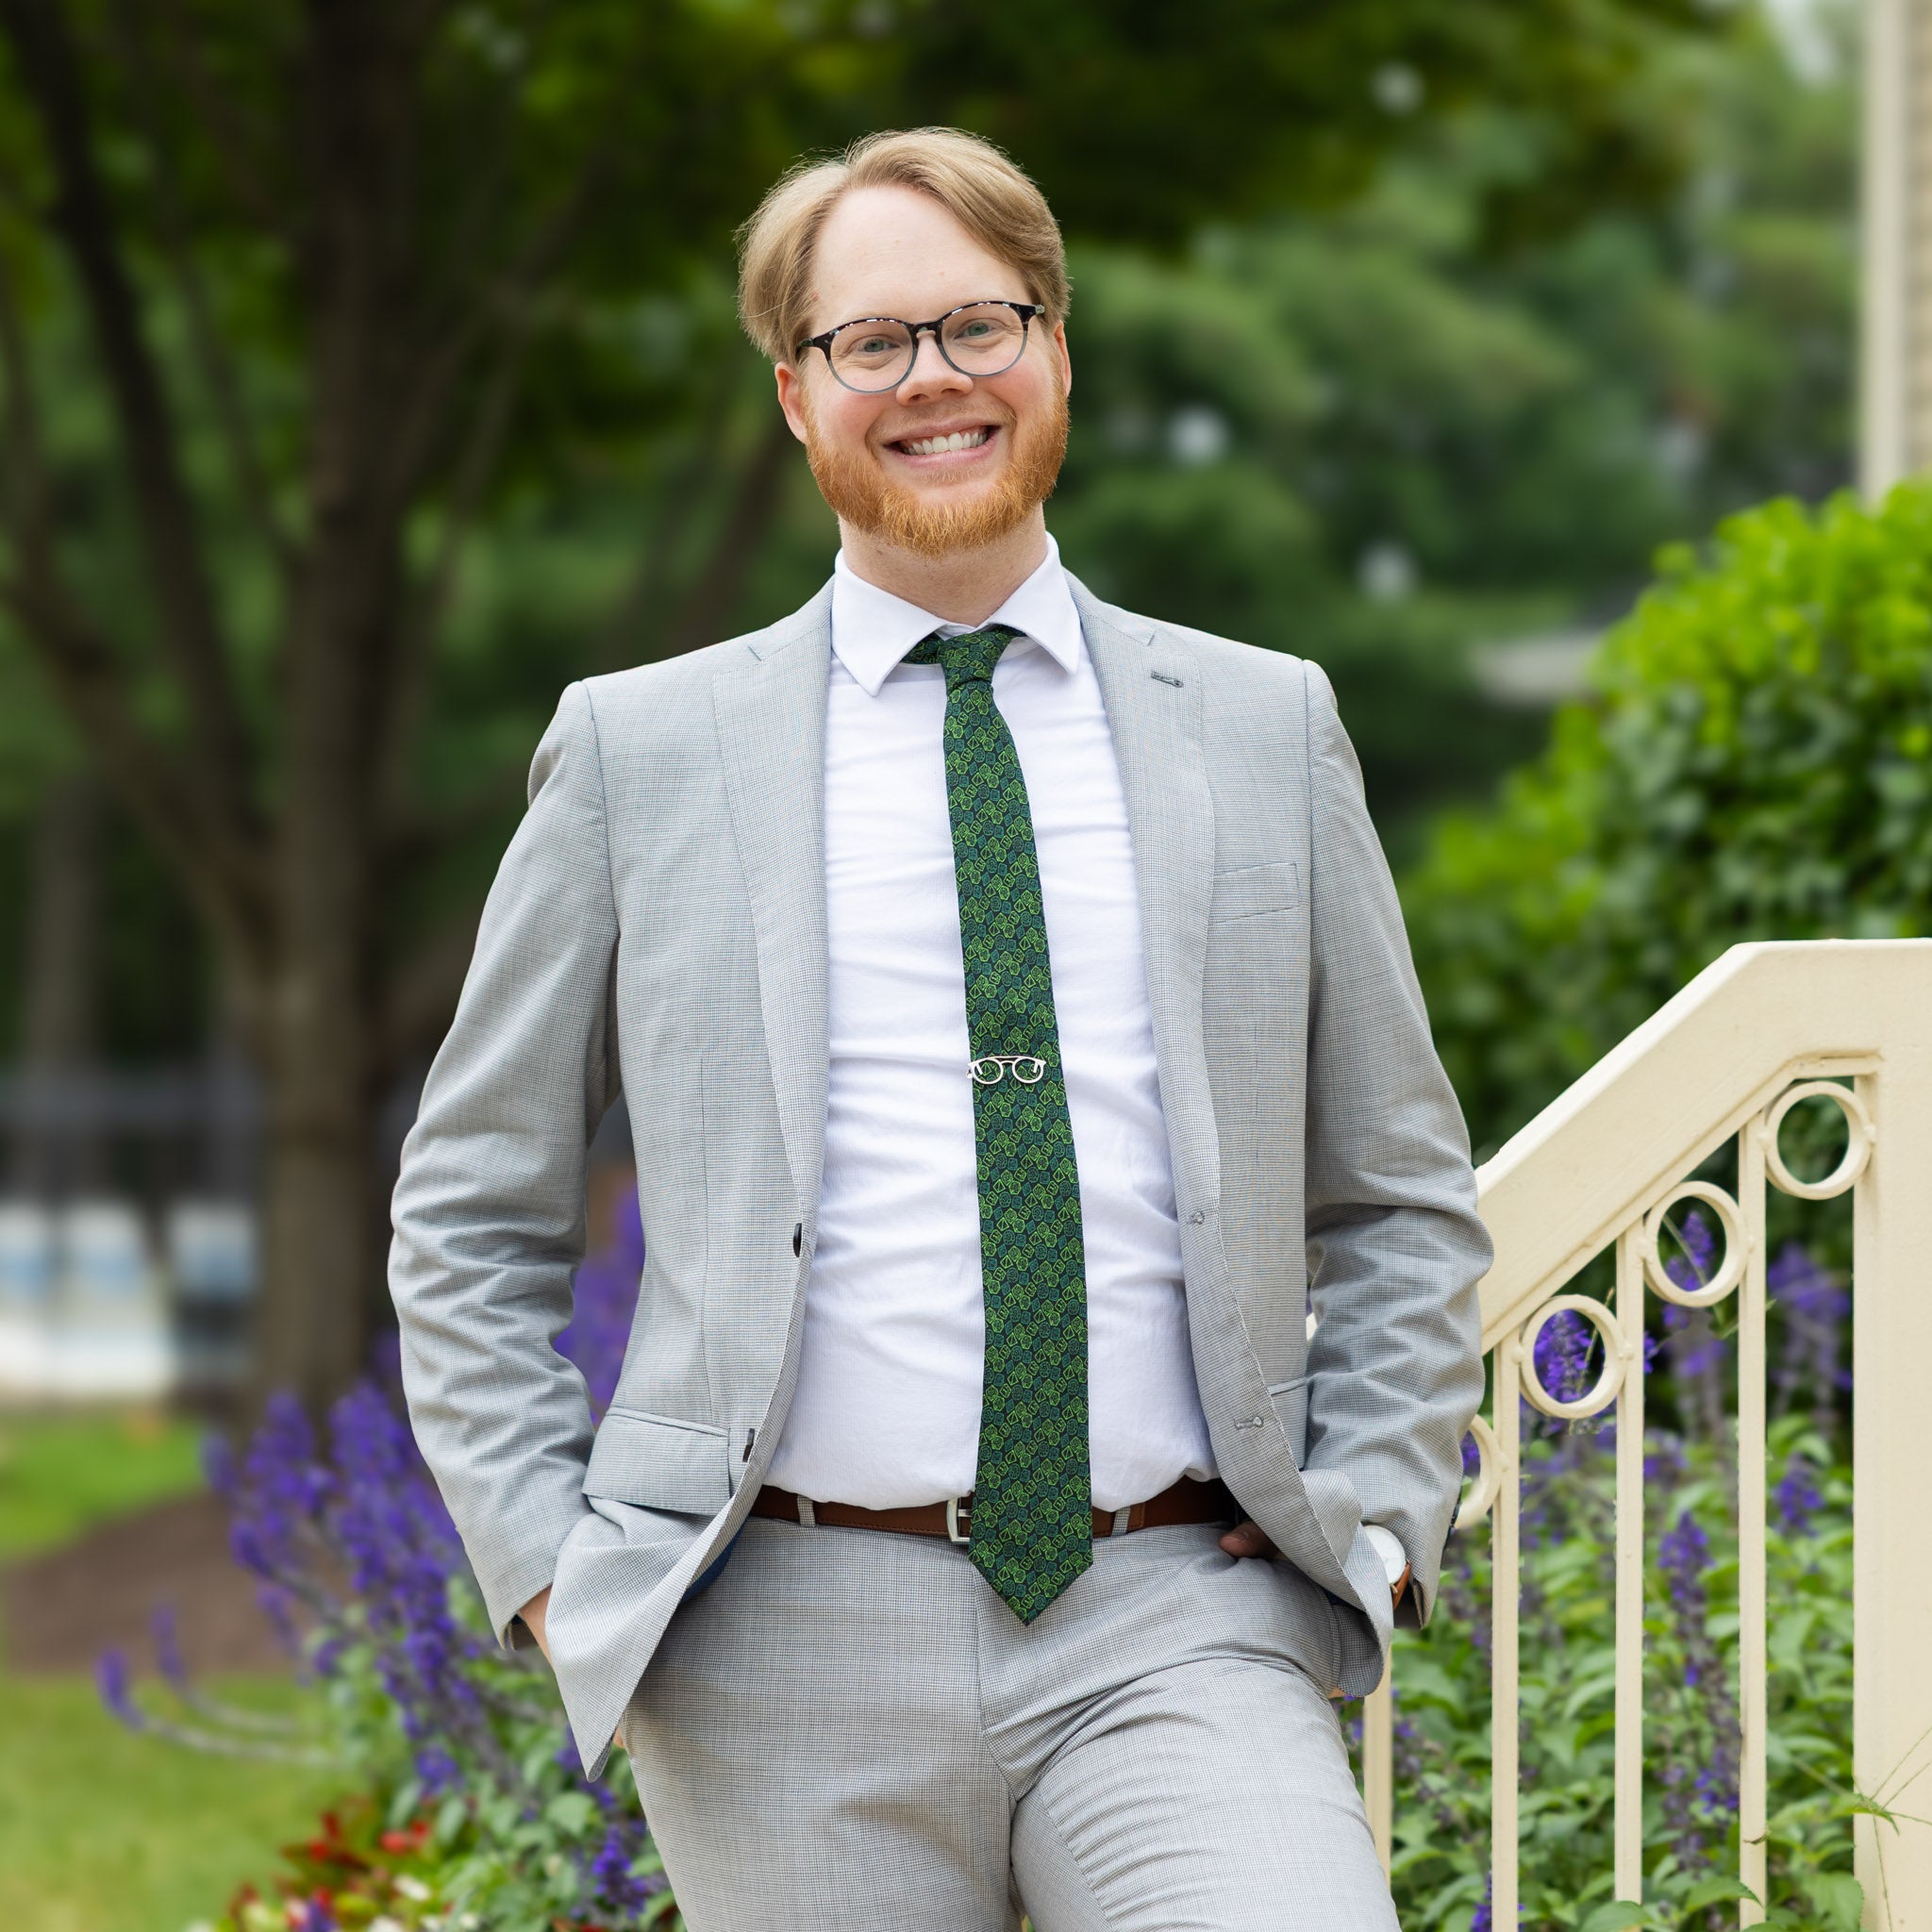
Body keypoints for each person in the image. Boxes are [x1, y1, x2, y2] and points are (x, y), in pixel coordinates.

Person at [389, 125, 1491, 1931]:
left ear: (1058, 348)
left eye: (981, 323)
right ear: (796, 400)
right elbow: (471, 1201)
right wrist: (545, 1564)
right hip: (775, 1637)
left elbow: (1397, 1186)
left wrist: (1367, 1510)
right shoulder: (637, 754)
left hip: (1179, 1609)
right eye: (870, 342)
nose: (935, 381)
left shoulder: (1264, 727)